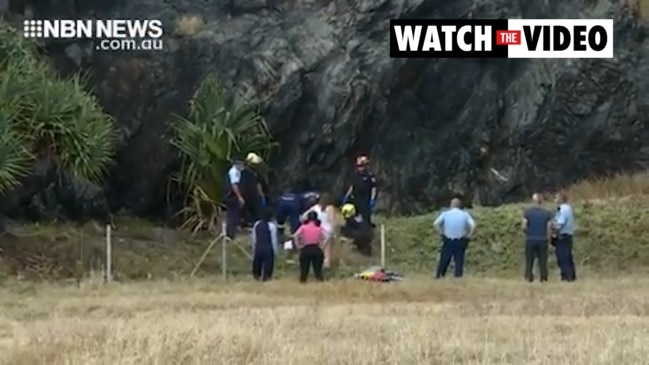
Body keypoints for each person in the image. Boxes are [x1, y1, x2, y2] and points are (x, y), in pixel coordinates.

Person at [433, 197, 476, 278]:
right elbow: (473, 225)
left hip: (448, 239)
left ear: (451, 205)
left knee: (444, 259)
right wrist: (468, 236)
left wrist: (441, 234)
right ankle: (458, 276)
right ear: (460, 205)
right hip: (460, 239)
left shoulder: (446, 214)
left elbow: (436, 224)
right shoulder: (465, 214)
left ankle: (440, 275)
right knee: (459, 260)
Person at [522, 193, 553, 282]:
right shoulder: (547, 213)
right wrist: (548, 238)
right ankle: (543, 278)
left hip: (530, 239)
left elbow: (524, 226)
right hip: (542, 240)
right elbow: (549, 228)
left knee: (529, 260)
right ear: (541, 201)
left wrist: (528, 233)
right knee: (543, 260)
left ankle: (529, 276)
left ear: (533, 201)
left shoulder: (528, 212)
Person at [301, 193, 336, 268]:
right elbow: (332, 220)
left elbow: (303, 216)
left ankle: (317, 267)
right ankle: (327, 267)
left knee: (318, 250)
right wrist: (333, 231)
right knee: (327, 252)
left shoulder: (315, 207)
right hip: (328, 231)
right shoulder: (330, 208)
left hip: (318, 230)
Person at [343, 155, 377, 226]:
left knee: (365, 216)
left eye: (361, 166)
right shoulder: (355, 175)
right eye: (358, 166)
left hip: (365, 198)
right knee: (352, 215)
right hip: (355, 197)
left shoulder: (369, 176)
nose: (360, 168)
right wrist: (346, 196)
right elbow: (352, 187)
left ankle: (366, 229)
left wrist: (372, 199)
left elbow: (373, 188)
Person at [292, 211, 325, 282]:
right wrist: (322, 246)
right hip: (316, 249)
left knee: (304, 270)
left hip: (306, 248)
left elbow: (295, 235)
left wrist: (298, 245)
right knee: (318, 270)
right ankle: (319, 280)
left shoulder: (303, 227)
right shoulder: (319, 228)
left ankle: (303, 281)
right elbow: (325, 237)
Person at [553, 192, 576, 281]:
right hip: (568, 236)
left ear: (561, 199)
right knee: (568, 256)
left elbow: (560, 224)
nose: (554, 199)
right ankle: (571, 275)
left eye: (556, 198)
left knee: (563, 257)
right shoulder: (567, 208)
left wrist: (552, 228)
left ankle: (567, 276)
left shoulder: (563, 209)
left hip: (563, 236)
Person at [251, 207, 278, 281]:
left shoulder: (257, 224)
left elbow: (254, 237)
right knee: (268, 263)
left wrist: (253, 248)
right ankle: (266, 276)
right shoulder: (272, 226)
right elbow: (273, 239)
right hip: (268, 247)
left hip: (258, 246)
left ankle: (256, 275)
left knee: (257, 262)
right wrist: (275, 250)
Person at [240, 152, 266, 227]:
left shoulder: (255, 172)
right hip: (246, 194)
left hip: (254, 194)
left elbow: (258, 183)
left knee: (256, 210)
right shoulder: (243, 172)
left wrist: (261, 194)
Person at [225, 157, 246, 239]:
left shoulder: (237, 171)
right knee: (232, 215)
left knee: (235, 214)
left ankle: (233, 232)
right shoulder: (233, 172)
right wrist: (239, 197)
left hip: (233, 196)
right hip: (231, 196)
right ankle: (230, 234)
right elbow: (234, 185)